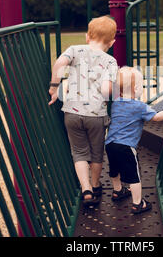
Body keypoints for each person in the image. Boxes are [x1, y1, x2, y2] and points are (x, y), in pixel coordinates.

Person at [48, 16, 118, 206]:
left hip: (71, 112)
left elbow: (59, 65)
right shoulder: (111, 61)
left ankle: (85, 188)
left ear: (87, 37)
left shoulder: (74, 50)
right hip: (96, 116)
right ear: (112, 42)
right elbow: (106, 91)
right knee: (96, 153)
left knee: (78, 152)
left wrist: (54, 87)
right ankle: (96, 185)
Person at [105, 67, 163, 214]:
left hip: (110, 144)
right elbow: (158, 117)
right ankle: (137, 203)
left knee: (114, 170)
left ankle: (117, 191)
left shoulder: (116, 103)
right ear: (136, 88)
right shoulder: (139, 106)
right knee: (134, 176)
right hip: (126, 147)